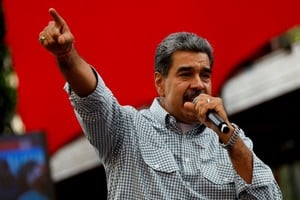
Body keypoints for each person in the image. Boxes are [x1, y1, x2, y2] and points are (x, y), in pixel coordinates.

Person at [39, 7, 282, 199]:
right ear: (160, 83)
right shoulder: (125, 129)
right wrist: (67, 56)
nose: (198, 84)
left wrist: (230, 140)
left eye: (205, 75)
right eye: (186, 74)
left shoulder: (231, 144)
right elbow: (92, 96)